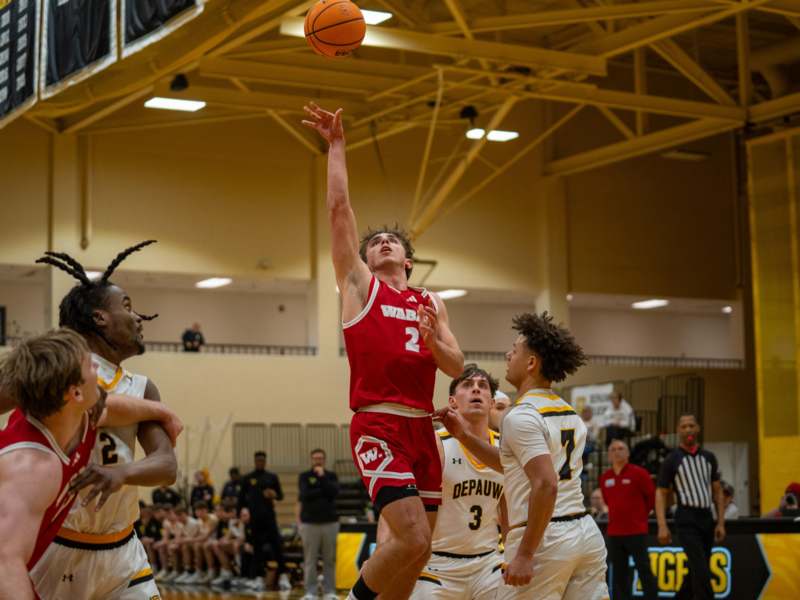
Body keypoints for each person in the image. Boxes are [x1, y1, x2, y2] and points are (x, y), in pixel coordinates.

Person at [303, 102, 464, 600]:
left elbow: (457, 368)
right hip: (379, 423)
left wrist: (434, 336)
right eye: (376, 242)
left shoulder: (430, 302)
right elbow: (338, 210)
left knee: (418, 550)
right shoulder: (359, 287)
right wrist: (336, 146)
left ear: (409, 261)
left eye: (393, 241)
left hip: (422, 427)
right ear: (366, 258)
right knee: (412, 536)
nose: (385, 243)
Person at [25, 242, 181, 600]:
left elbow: (167, 465)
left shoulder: (143, 386)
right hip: (57, 548)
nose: (138, 317)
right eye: (126, 306)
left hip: (123, 551)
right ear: (99, 318)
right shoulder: (55, 375)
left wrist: (120, 473)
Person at [0, 329, 180, 598]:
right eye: (88, 364)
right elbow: (6, 563)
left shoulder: (77, 414)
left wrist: (161, 411)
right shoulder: (32, 466)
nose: (97, 365)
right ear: (75, 393)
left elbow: (114, 408)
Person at [440, 313, 608, 599]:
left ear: (531, 363)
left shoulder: (521, 416)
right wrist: (464, 437)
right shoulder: (568, 411)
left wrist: (525, 554)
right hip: (585, 533)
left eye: (514, 350)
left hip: (546, 537)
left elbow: (546, 484)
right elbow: (512, 465)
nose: (508, 354)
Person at [410, 365, 505, 600]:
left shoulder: (505, 447)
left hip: (488, 562)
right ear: (452, 402)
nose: (476, 389)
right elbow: (402, 502)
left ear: (491, 403)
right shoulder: (435, 443)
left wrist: (517, 555)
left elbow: (510, 512)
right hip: (437, 563)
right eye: (468, 385)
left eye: (483, 386)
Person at [656, 414, 726, 600]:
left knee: (696, 569)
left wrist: (720, 522)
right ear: (679, 430)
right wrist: (662, 525)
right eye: (684, 426)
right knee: (701, 570)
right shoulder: (672, 460)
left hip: (706, 518)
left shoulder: (709, 457)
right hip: (686, 518)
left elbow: (717, 491)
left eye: (691, 425)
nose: (688, 429)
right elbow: (661, 493)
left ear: (698, 429)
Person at [600, 439, 657, 600]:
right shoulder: (605, 478)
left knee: (644, 571)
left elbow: (651, 498)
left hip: (636, 531)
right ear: (609, 455)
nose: (617, 451)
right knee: (619, 575)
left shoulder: (639, 473)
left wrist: (640, 516)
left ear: (628, 453)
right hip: (614, 533)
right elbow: (606, 500)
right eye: (613, 449)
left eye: (620, 448)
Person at [239, 450, 290, 591]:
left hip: (270, 518)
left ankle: (284, 575)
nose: (260, 462)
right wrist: (242, 512)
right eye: (258, 460)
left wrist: (274, 494)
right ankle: (258, 578)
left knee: (277, 547)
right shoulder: (248, 478)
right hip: (255, 520)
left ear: (265, 461)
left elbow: (280, 495)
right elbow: (241, 499)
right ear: (255, 461)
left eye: (262, 460)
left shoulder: (272, 477)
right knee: (257, 550)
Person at [299, 448, 340, 600]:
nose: (318, 460)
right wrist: (322, 491)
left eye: (321, 458)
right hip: (310, 524)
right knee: (310, 559)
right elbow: (304, 495)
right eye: (315, 458)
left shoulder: (331, 476)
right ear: (311, 459)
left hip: (330, 523)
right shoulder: (304, 476)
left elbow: (334, 493)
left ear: (324, 460)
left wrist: (321, 481)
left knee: (329, 559)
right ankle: (310, 592)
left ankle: (330, 591)